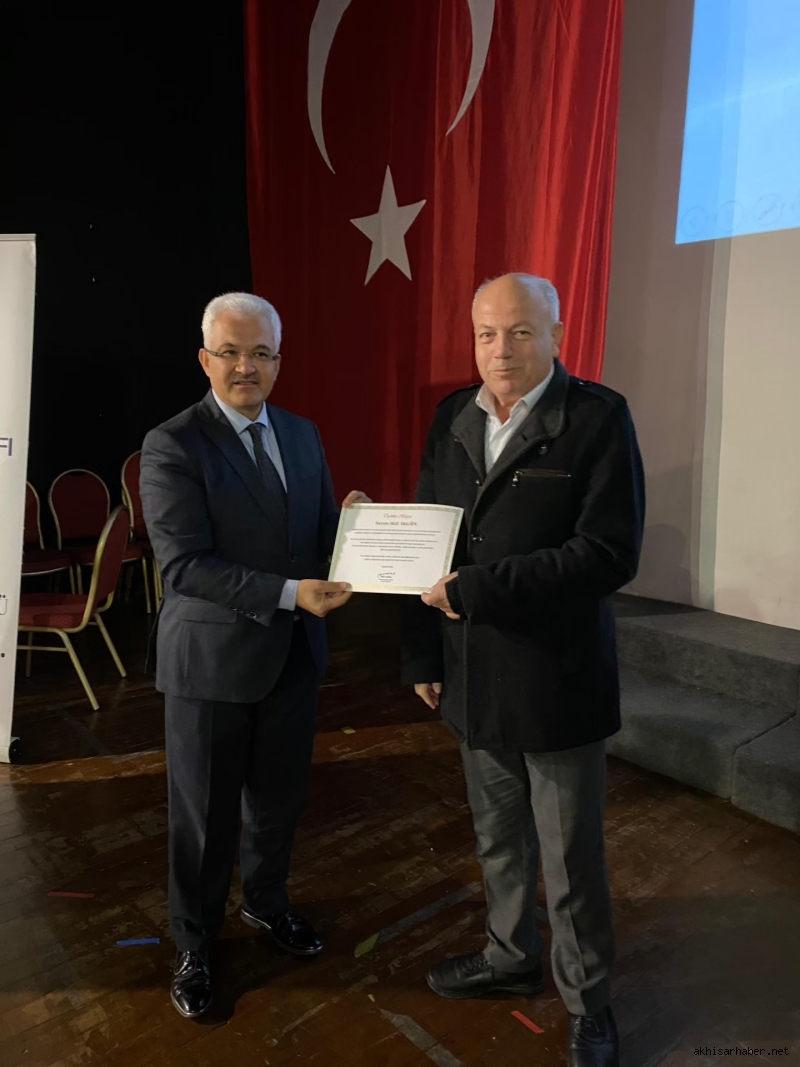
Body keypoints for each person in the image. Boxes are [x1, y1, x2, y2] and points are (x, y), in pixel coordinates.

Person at [402, 274, 644, 1067]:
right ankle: (509, 958)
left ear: (557, 335)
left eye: (519, 332)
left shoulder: (597, 417)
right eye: (486, 333)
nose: (500, 349)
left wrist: (478, 590)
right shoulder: (452, 415)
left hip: (558, 680)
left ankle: (589, 1004)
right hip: (472, 675)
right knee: (498, 839)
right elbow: (430, 537)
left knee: (570, 860)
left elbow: (608, 554)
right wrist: (422, 651)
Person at [140, 292, 369, 1019]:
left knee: (277, 802)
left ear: (278, 361)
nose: (247, 366)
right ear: (205, 359)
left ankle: (266, 904)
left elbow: (317, 529)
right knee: (203, 819)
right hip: (211, 665)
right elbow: (185, 566)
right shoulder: (173, 444)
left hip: (293, 655)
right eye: (232, 352)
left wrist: (355, 529)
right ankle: (195, 943)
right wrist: (290, 593)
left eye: (262, 353)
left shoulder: (301, 432)